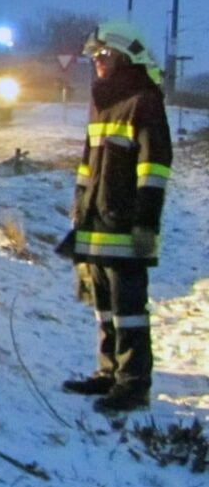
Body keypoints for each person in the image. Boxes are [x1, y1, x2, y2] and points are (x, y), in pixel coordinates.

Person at [60, 20, 171, 413]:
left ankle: (134, 384)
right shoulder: (101, 100)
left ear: (127, 57)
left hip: (126, 226)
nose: (98, 62)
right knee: (104, 307)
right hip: (96, 222)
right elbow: (88, 163)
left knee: (130, 311)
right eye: (94, 56)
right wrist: (79, 205)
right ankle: (108, 372)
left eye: (105, 55)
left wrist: (146, 223)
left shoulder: (144, 101)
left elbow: (154, 168)